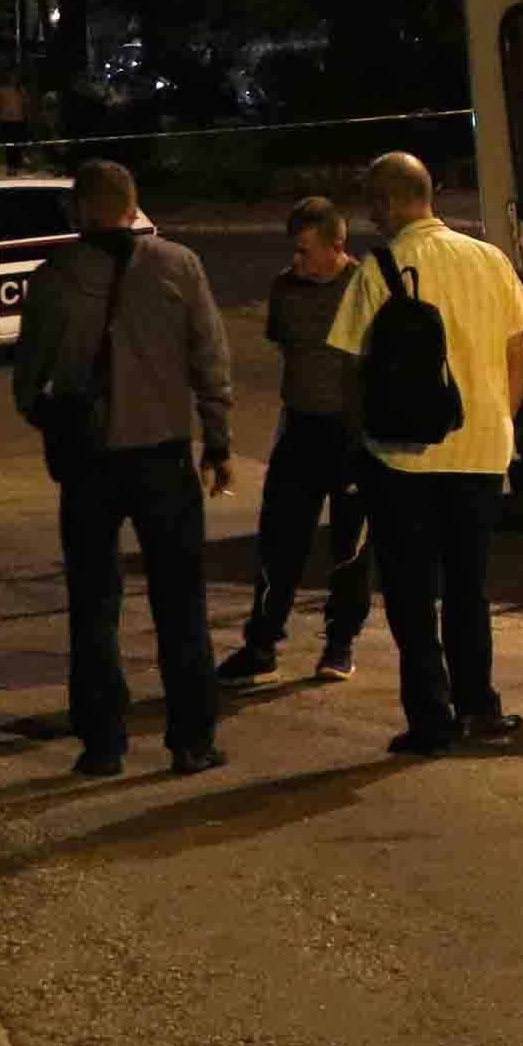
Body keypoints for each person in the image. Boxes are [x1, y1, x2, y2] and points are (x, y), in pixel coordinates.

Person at [11, 158, 232, 779]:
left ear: (80, 210)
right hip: (163, 456)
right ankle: (191, 740)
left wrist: (55, 423)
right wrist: (217, 440)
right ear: (134, 207)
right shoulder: (179, 266)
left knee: (93, 605)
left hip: (88, 463)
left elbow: (29, 377)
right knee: (181, 604)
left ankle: (103, 743)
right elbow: (210, 360)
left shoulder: (55, 278)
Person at [326, 151, 523, 757]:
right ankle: (480, 707)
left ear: (392, 201)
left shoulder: (381, 268)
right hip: (482, 455)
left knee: (412, 594)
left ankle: (431, 720)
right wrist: (499, 423)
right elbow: (518, 356)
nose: (372, 216)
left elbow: (350, 363)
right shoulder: (490, 259)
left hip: (402, 460)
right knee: (469, 588)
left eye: (373, 203)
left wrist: (358, 439)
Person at [220, 194, 373, 685]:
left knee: (350, 546)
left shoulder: (366, 287)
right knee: (280, 539)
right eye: (295, 250)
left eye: (306, 251)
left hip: (353, 433)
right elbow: (285, 343)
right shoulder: (286, 289)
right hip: (300, 429)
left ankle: (339, 644)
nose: (297, 260)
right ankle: (262, 642)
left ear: (337, 246)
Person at [0, 67, 33, 171]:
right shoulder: (0, 89)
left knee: (18, 143)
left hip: (20, 120)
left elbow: (26, 104)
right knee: (9, 143)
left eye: (15, 77)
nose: (13, 78)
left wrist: (28, 116)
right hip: (6, 120)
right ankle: (10, 164)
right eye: (11, 76)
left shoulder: (21, 89)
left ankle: (17, 163)